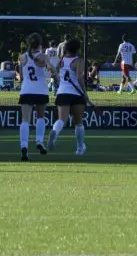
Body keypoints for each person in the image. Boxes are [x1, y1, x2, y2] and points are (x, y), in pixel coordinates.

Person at [48, 38, 92, 155]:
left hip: (62, 92)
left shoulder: (62, 59)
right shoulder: (78, 61)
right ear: (77, 49)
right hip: (76, 94)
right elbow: (79, 77)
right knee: (78, 123)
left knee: (62, 119)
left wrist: (60, 81)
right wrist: (85, 94)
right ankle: (79, 148)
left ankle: (55, 133)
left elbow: (55, 73)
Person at [17, 32, 58, 160]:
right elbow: (51, 68)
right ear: (40, 44)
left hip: (26, 90)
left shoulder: (22, 57)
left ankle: (24, 146)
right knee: (40, 117)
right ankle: (39, 141)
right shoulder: (44, 56)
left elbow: (21, 77)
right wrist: (56, 77)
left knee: (25, 119)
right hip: (41, 90)